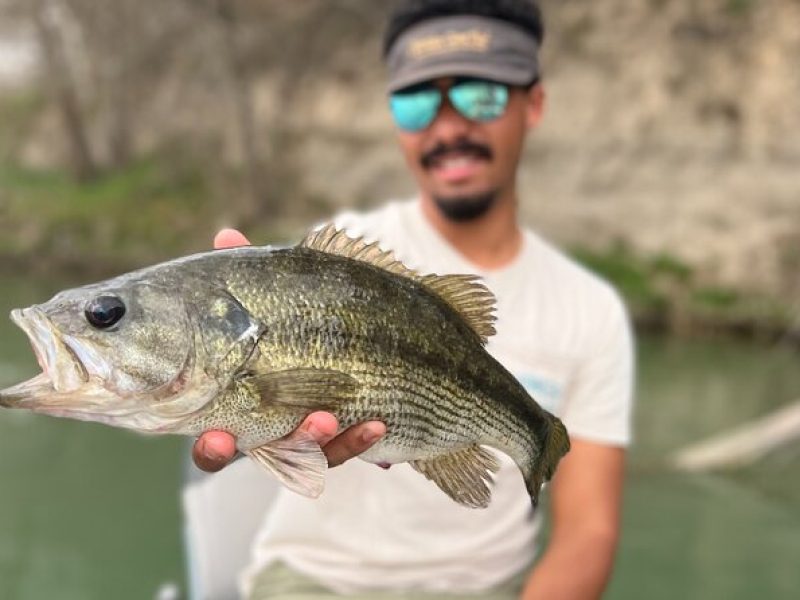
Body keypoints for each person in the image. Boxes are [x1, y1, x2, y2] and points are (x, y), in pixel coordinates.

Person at [186, 1, 634, 598]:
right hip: (316, 582)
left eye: (481, 97)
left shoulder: (592, 310)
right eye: (417, 101)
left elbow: (589, 533)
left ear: (535, 104)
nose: (447, 127)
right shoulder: (330, 263)